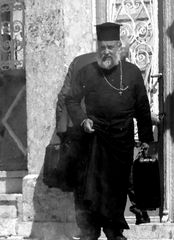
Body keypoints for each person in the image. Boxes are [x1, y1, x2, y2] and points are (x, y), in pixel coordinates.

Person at [65, 22, 154, 240]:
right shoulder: (87, 72)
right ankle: (91, 231)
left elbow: (142, 108)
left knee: (116, 188)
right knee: (93, 189)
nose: (106, 52)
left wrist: (146, 141)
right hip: (94, 139)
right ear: (98, 47)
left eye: (111, 47)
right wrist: (82, 120)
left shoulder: (132, 72)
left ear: (119, 47)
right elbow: (71, 100)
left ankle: (114, 232)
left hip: (121, 140)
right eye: (102, 47)